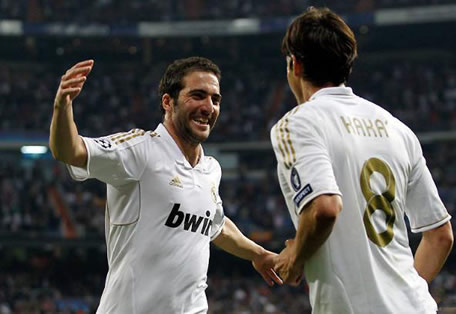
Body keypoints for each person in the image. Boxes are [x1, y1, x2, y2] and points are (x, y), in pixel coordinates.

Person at [49, 57, 282, 313]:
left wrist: (258, 254)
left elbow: (215, 224)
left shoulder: (210, 169)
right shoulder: (141, 150)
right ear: (168, 102)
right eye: (198, 95)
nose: (208, 107)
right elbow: (68, 151)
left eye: (215, 99)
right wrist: (63, 105)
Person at [271, 7, 454, 314]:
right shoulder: (397, 128)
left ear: (296, 65)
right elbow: (440, 235)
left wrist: (294, 259)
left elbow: (324, 208)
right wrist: (398, 300)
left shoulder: (297, 123)